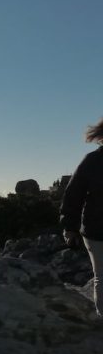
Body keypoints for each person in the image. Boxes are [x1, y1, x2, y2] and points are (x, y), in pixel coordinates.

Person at [61, 116, 103, 317]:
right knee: (102, 277)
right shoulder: (92, 161)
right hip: (97, 231)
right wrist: (69, 227)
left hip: (94, 228)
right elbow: (73, 194)